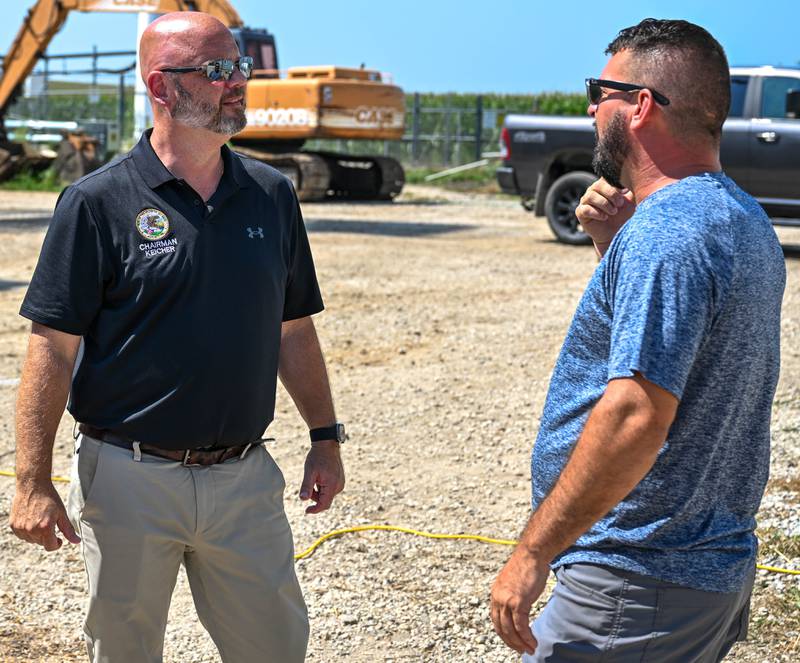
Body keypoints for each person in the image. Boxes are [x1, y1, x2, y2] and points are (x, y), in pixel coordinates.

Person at [8, 12, 345, 663]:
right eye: (218, 70)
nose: (239, 82)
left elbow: (294, 328)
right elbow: (52, 348)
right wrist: (31, 478)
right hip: (127, 479)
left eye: (239, 66)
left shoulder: (271, 196)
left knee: (276, 649)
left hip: (245, 478)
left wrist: (325, 436)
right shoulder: (95, 203)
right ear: (161, 88)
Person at [490, 18, 785, 662]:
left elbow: (636, 415)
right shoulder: (740, 217)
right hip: (696, 572)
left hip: (635, 583)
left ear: (642, 106)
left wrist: (532, 553)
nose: (593, 107)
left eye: (602, 90)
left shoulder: (670, 233)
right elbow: (691, 362)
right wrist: (611, 246)